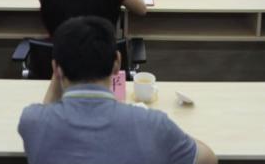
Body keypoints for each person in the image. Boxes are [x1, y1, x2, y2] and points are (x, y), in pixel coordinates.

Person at [18, 16, 217, 164]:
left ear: (55, 68)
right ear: (118, 62)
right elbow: (208, 159)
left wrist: (58, 72)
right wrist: (168, 135)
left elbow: (46, 112)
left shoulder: (32, 121)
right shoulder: (154, 125)